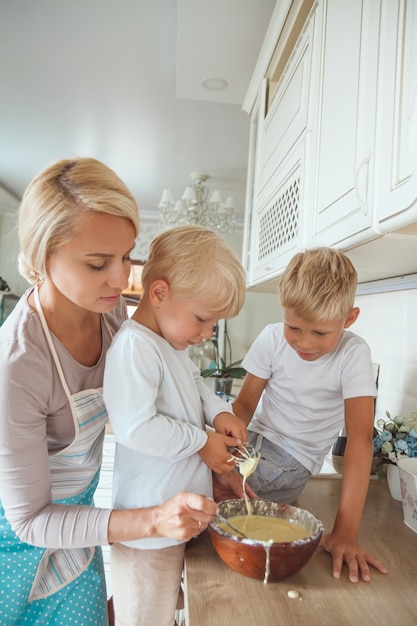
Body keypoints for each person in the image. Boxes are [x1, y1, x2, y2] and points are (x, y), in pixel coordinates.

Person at [0, 158, 218, 626]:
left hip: (78, 527)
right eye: (98, 263)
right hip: (15, 545)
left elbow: (169, 382)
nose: (121, 281)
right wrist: (152, 521)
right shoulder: (17, 364)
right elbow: (31, 519)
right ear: (42, 258)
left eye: (126, 256)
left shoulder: (113, 315)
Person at [103, 225, 248, 626]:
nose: (206, 334)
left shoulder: (168, 344)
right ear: (159, 294)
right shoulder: (135, 347)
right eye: (203, 319)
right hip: (148, 532)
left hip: (174, 524)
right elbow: (135, 427)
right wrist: (202, 440)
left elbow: (196, 386)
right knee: (144, 618)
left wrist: (219, 413)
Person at [232, 247, 388, 584]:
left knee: (213, 499)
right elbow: (243, 407)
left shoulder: (353, 353)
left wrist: (345, 532)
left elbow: (360, 440)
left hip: (290, 462)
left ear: (349, 319)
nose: (304, 343)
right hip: (251, 442)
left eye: (320, 333)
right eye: (294, 327)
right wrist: (219, 439)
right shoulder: (272, 338)